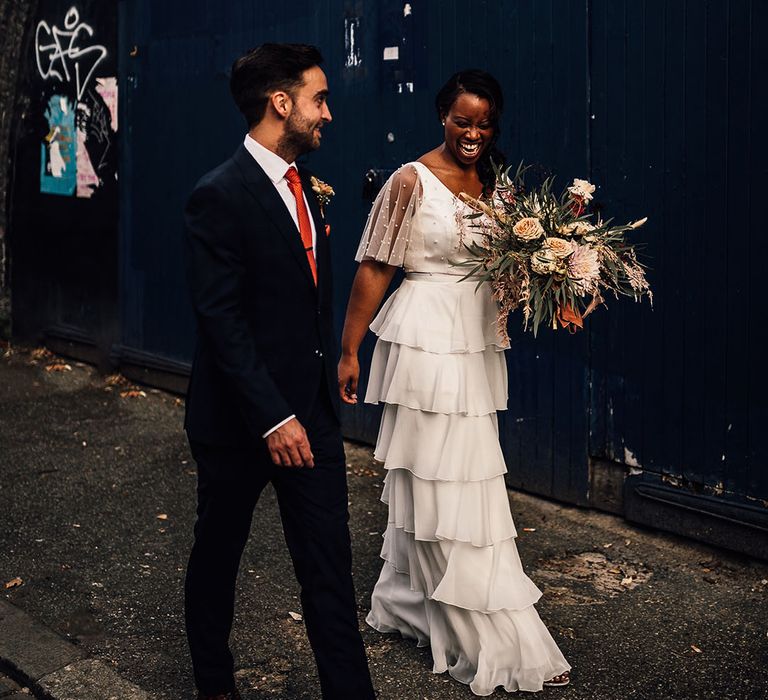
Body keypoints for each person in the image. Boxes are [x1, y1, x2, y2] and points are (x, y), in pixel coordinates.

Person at [338, 69, 571, 695]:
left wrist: (563, 284)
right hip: (424, 339)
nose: (473, 133)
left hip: (473, 339)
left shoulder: (496, 184)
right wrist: (350, 348)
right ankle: (476, 626)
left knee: (461, 471)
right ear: (443, 116)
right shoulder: (408, 182)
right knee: (440, 475)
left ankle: (407, 599)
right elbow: (374, 268)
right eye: (462, 121)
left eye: (484, 123)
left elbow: (509, 275)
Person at [183, 43, 375, 700]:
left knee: (330, 573)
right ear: (281, 102)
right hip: (241, 424)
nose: (328, 113)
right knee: (217, 560)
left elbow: (305, 300)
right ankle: (215, 687)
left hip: (314, 419)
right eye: (319, 98)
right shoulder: (218, 196)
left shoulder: (306, 188)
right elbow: (223, 322)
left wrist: (329, 376)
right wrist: (272, 416)